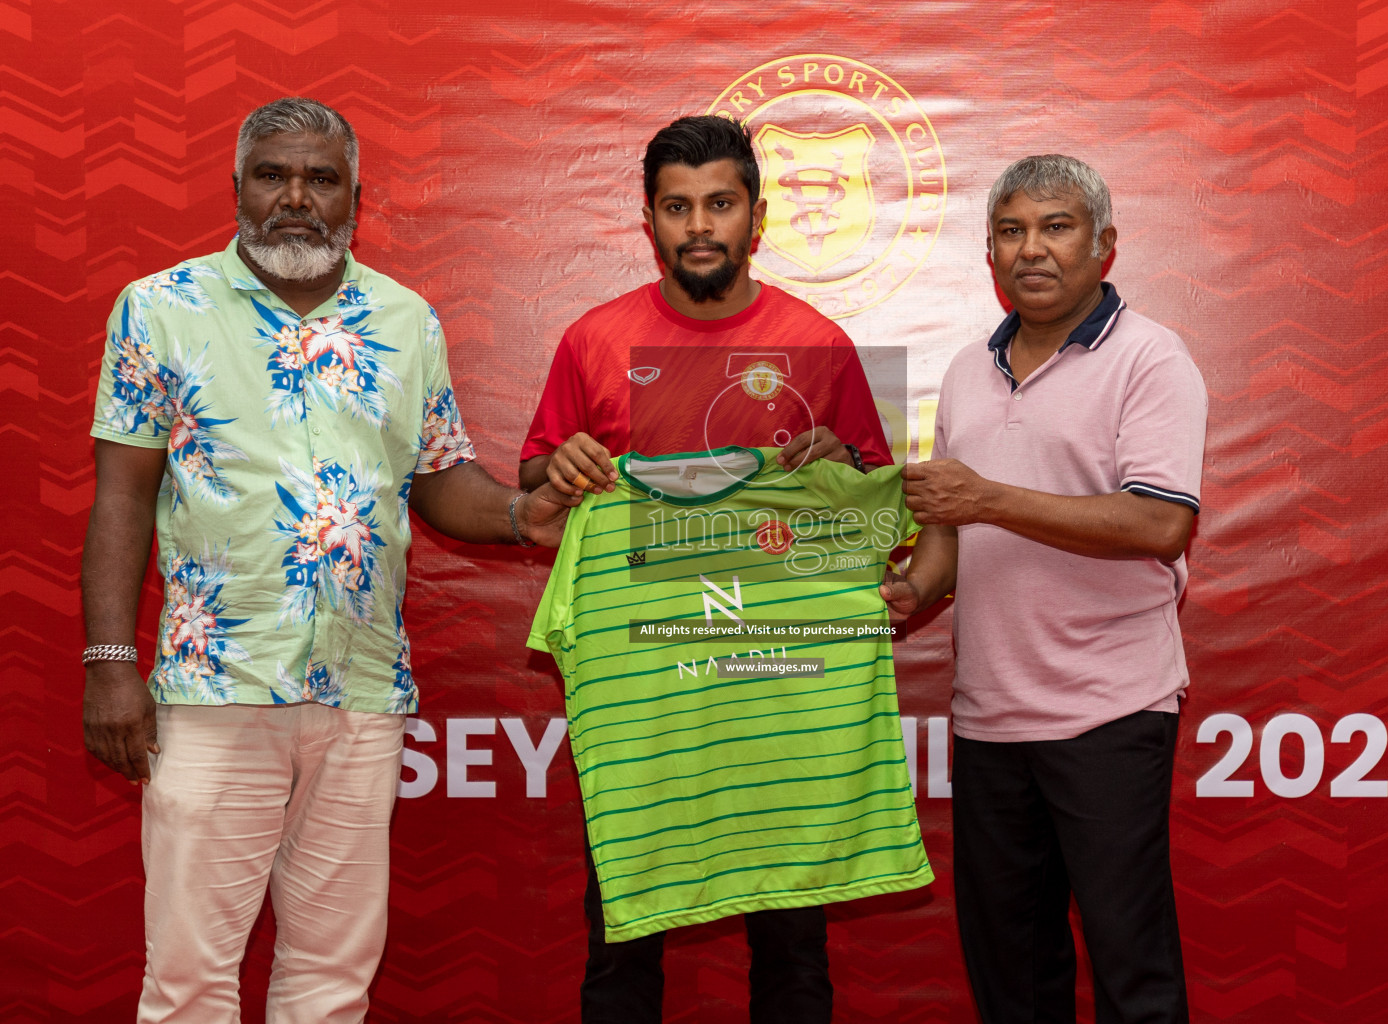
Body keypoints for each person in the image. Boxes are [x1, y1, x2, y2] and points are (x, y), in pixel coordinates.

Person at [80, 96, 575, 1024]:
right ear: (238, 188)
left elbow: (437, 480)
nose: (295, 197)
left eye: (321, 177)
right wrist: (111, 666)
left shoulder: (406, 319)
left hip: (359, 692)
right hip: (213, 688)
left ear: (356, 195)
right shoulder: (161, 309)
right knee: (188, 983)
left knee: (332, 984)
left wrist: (518, 514)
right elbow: (121, 498)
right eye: (273, 175)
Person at [519, 114, 894, 1024]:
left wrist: (837, 466)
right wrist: (559, 469)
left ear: (756, 217)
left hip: (781, 685)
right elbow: (532, 481)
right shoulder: (592, 340)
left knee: (794, 950)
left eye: (719, 204)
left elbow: (879, 513)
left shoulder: (819, 341)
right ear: (647, 220)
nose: (699, 227)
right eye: (677, 207)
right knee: (621, 940)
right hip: (647, 691)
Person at [882, 155, 1206, 1023]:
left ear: (1104, 245)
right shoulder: (963, 372)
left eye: (1056, 227)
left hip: (1110, 713)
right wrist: (910, 593)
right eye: (1012, 230)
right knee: (1014, 983)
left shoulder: (1151, 358)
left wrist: (986, 496)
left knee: (1132, 976)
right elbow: (948, 543)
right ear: (988, 253)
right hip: (989, 720)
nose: (1034, 250)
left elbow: (1158, 524)